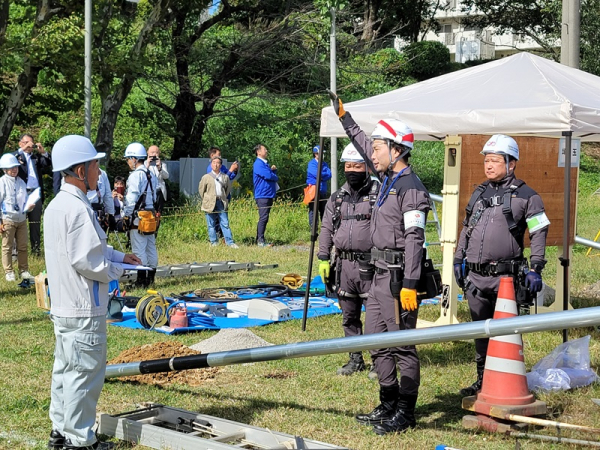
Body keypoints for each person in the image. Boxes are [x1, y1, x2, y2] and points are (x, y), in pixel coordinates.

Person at [329, 91, 430, 435]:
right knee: (374, 339)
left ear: (396, 149)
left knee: (402, 345)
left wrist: (411, 284)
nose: (371, 154)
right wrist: (344, 117)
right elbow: (360, 143)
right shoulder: (387, 178)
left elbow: (415, 239)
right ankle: (387, 403)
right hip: (378, 276)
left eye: (377, 148)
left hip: (399, 278)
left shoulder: (411, 188)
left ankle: (406, 411)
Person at [44, 134, 141, 450]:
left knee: (65, 372)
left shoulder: (58, 206)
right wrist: (119, 269)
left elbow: (90, 248)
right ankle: (80, 440)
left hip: (65, 305)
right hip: (84, 306)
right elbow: (89, 261)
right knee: (84, 375)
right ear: (79, 170)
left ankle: (61, 432)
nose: (99, 173)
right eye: (95, 166)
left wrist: (119, 255)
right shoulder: (77, 209)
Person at [453, 134, 549, 397]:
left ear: (511, 163)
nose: (489, 165)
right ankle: (482, 380)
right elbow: (467, 228)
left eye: (495, 160)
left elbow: (539, 232)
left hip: (506, 280)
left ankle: (510, 382)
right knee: (480, 331)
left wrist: (536, 268)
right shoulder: (479, 193)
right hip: (476, 278)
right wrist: (458, 259)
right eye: (486, 160)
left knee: (506, 333)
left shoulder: (528, 196)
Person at [318, 143, 379, 376]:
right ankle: (355, 359)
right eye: (348, 166)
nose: (352, 170)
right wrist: (323, 258)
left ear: (368, 167)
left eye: (357, 166)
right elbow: (326, 228)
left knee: (375, 317)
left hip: (372, 265)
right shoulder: (337, 198)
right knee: (349, 315)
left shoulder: (379, 195)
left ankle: (379, 361)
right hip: (344, 266)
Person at [122, 142, 159, 288]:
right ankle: (151, 279)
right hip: (150, 215)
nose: (128, 162)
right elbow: (155, 197)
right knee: (151, 247)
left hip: (139, 217)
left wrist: (126, 215)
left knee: (139, 249)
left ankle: (141, 281)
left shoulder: (135, 176)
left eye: (128, 159)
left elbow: (131, 199)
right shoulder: (151, 174)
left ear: (134, 159)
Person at [13, 133, 52, 255]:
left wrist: (43, 152)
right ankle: (16, 252)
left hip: (35, 193)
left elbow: (48, 163)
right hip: (21, 193)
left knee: (35, 223)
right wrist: (23, 149)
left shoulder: (36, 158)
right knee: (18, 222)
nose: (29, 146)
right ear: (20, 144)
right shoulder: (17, 156)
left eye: (31, 143)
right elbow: (9, 159)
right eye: (26, 143)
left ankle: (36, 251)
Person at [0, 153, 32, 281]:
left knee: (23, 246)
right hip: (7, 219)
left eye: (16, 167)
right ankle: (9, 271)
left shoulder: (21, 182)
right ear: (5, 169)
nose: (14, 169)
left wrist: (29, 206)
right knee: (7, 247)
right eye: (11, 167)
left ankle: (23, 270)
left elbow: (25, 200)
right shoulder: (2, 182)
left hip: (22, 219)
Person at [198, 156, 239, 248]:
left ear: (220, 165)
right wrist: (207, 199)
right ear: (211, 164)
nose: (215, 165)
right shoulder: (206, 177)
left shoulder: (225, 177)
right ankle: (214, 242)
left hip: (221, 201)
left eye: (218, 163)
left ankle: (230, 242)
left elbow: (227, 189)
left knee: (225, 223)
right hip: (209, 203)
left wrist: (223, 197)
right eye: (214, 163)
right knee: (211, 224)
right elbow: (201, 190)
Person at [207, 146, 239, 240]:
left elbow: (229, 177)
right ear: (212, 155)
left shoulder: (222, 166)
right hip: (216, 198)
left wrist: (235, 170)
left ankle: (224, 238)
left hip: (224, 197)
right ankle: (217, 238)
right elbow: (220, 180)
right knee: (216, 219)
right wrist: (231, 170)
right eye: (219, 154)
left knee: (223, 219)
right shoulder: (210, 168)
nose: (220, 157)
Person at [252, 143, 278, 247]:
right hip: (262, 195)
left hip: (268, 194)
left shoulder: (264, 164)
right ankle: (260, 241)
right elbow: (268, 175)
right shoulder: (258, 164)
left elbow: (270, 174)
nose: (266, 151)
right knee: (263, 217)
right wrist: (274, 175)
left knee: (265, 217)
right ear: (258, 152)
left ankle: (259, 239)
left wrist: (273, 171)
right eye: (264, 149)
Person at [306, 144, 332, 228]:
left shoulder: (324, 163)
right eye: (320, 153)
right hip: (313, 191)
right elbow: (316, 174)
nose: (322, 155)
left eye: (323, 153)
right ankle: (314, 229)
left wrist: (321, 176)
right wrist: (322, 176)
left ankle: (325, 228)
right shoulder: (312, 164)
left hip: (323, 190)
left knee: (323, 210)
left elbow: (329, 174)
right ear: (315, 154)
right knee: (313, 211)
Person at [145, 145, 169, 215]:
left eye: (156, 152)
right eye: (152, 152)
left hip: (159, 191)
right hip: (148, 191)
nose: (154, 154)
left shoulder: (162, 164)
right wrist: (147, 165)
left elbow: (166, 176)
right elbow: (142, 175)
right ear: (148, 153)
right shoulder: (144, 164)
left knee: (158, 212)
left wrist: (159, 168)